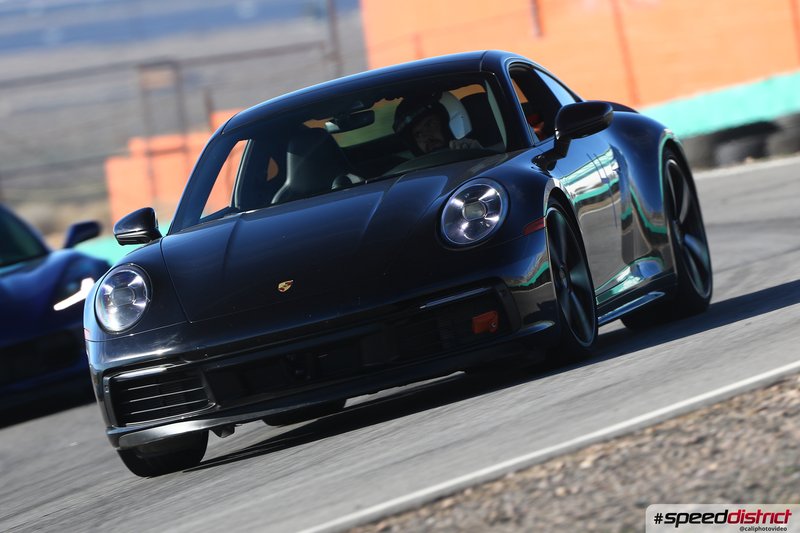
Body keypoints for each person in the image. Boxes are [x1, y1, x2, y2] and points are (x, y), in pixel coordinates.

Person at [393, 93, 482, 155]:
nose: (426, 137)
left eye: (430, 125)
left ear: (447, 123)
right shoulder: (412, 175)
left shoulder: (472, 150)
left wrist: (477, 154)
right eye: (418, 134)